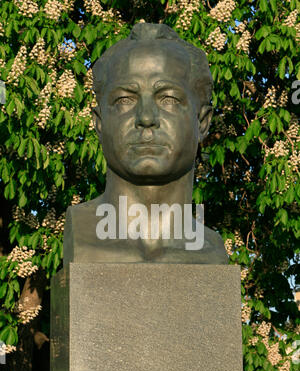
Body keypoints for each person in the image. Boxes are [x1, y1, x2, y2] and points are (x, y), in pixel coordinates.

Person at [63, 23, 228, 264]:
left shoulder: (212, 253)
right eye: (124, 100)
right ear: (99, 123)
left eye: (169, 99)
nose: (146, 118)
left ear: (202, 122)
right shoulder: (83, 237)